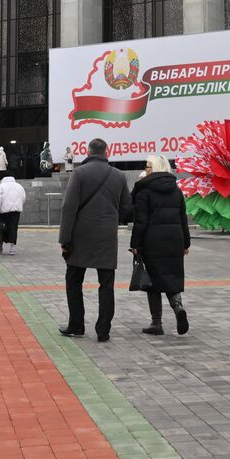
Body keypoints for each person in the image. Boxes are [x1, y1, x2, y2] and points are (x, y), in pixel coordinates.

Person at [58, 138, 132, 341]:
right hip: (107, 236)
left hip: (80, 235)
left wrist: (65, 239)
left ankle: (77, 325)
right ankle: (103, 330)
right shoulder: (118, 175)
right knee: (106, 284)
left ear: (88, 152)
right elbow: (127, 208)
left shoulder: (79, 173)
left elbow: (68, 207)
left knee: (73, 280)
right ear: (107, 152)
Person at [130, 155, 190, 336]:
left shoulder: (144, 190)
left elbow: (140, 220)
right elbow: (183, 219)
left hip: (152, 242)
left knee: (153, 282)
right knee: (171, 276)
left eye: (148, 166)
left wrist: (135, 244)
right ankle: (178, 308)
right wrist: (186, 243)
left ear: (154, 168)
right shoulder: (176, 190)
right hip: (174, 240)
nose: (146, 169)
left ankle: (156, 323)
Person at [0, 173, 26, 255]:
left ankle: (0, 246)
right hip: (16, 211)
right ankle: (12, 248)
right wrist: (19, 206)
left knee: (2, 227)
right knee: (13, 228)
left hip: (3, 212)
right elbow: (23, 198)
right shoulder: (19, 186)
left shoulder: (1, 187)